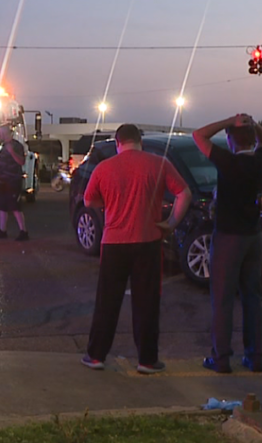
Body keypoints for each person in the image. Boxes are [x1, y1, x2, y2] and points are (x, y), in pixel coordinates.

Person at [80, 124, 191, 374]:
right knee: (146, 301)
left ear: (118, 143)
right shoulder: (158, 163)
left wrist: (109, 203)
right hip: (148, 240)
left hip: (113, 243)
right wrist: (171, 223)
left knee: (107, 301)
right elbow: (184, 193)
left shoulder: (104, 167)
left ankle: (96, 355)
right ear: (140, 140)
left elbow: (89, 200)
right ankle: (147, 360)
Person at [193, 114, 262, 374]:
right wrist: (251, 124)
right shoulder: (261, 161)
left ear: (230, 141)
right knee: (252, 297)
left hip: (228, 237)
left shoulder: (227, 162)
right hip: (253, 236)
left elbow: (199, 135)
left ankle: (221, 357)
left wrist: (228, 120)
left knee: (223, 299)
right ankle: (255, 356)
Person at [0, 123, 29, 241]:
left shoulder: (16, 146)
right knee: (2, 206)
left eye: (1, 133)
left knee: (15, 206)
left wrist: (12, 152)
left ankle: (23, 231)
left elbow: (21, 161)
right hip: (3, 180)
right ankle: (2, 230)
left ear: (6, 133)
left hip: (13, 180)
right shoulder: (3, 146)